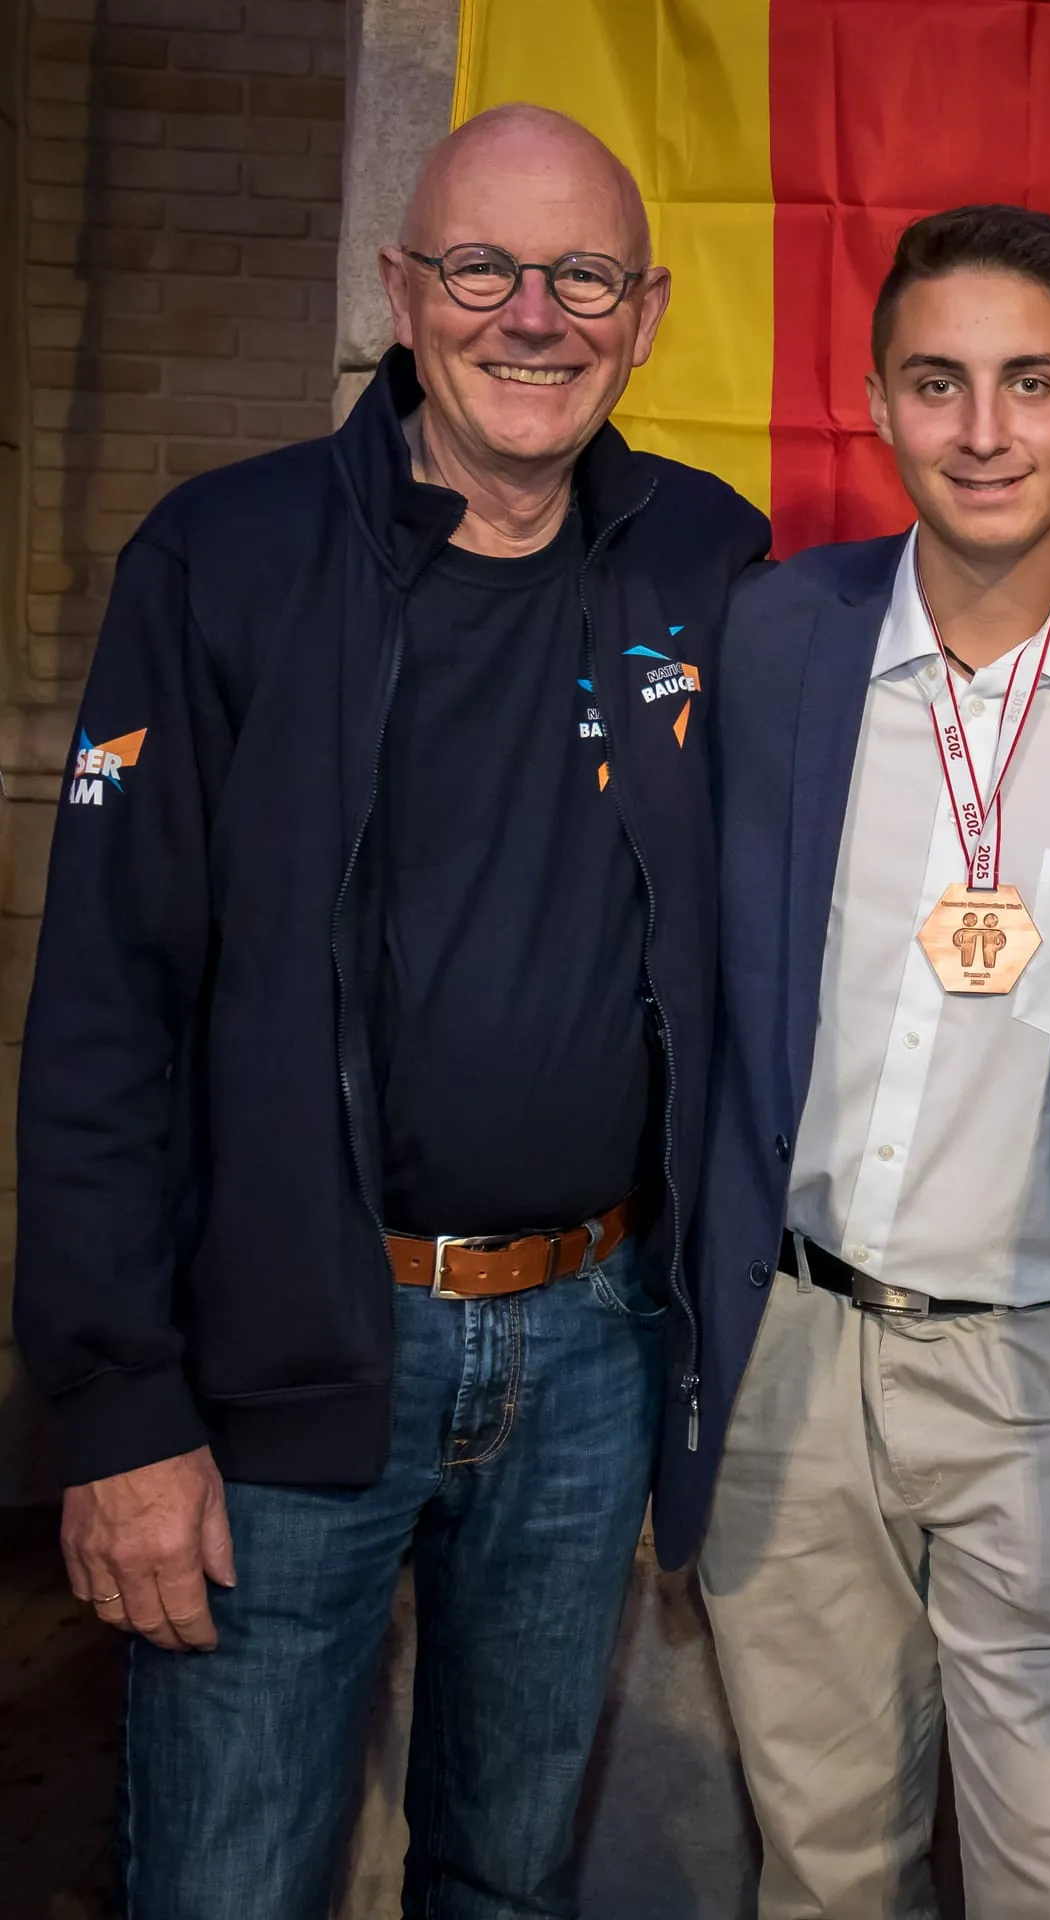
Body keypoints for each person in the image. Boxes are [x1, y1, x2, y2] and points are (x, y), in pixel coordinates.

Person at [12, 104, 769, 1916]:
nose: (535, 316)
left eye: (583, 275)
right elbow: (105, 1012)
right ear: (400, 291)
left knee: (506, 1877)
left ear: (648, 314)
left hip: (590, 1348)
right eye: (481, 268)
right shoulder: (226, 557)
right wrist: (119, 1409)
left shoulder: (705, 559)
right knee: (228, 1886)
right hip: (285, 1356)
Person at [663, 205, 1050, 1918]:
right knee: (823, 1872)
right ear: (876, 402)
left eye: (1032, 381)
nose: (985, 430)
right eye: (937, 383)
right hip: (793, 1355)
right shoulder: (774, 643)